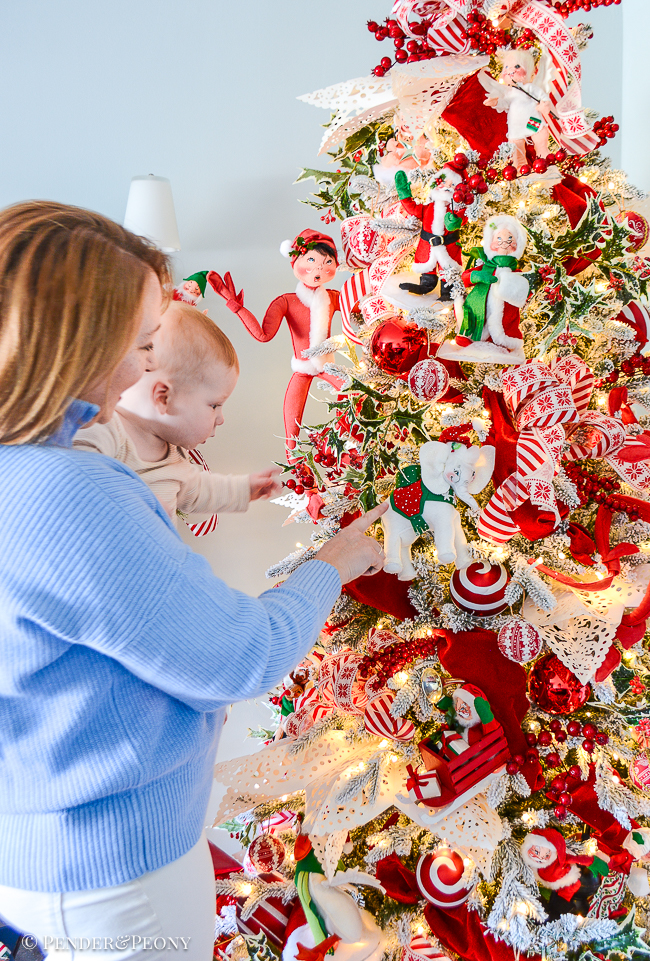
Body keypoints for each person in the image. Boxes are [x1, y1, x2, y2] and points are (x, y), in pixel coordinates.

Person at [0, 201, 387, 961]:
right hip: (115, 882)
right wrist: (334, 563)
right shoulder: (69, 491)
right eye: (142, 344)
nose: (148, 366)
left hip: (39, 862)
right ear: (80, 343)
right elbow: (240, 653)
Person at [74, 300, 281, 527]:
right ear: (164, 398)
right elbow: (75, 481)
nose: (221, 419)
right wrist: (140, 509)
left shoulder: (174, 457)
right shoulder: (104, 430)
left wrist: (244, 489)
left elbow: (199, 490)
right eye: (214, 405)